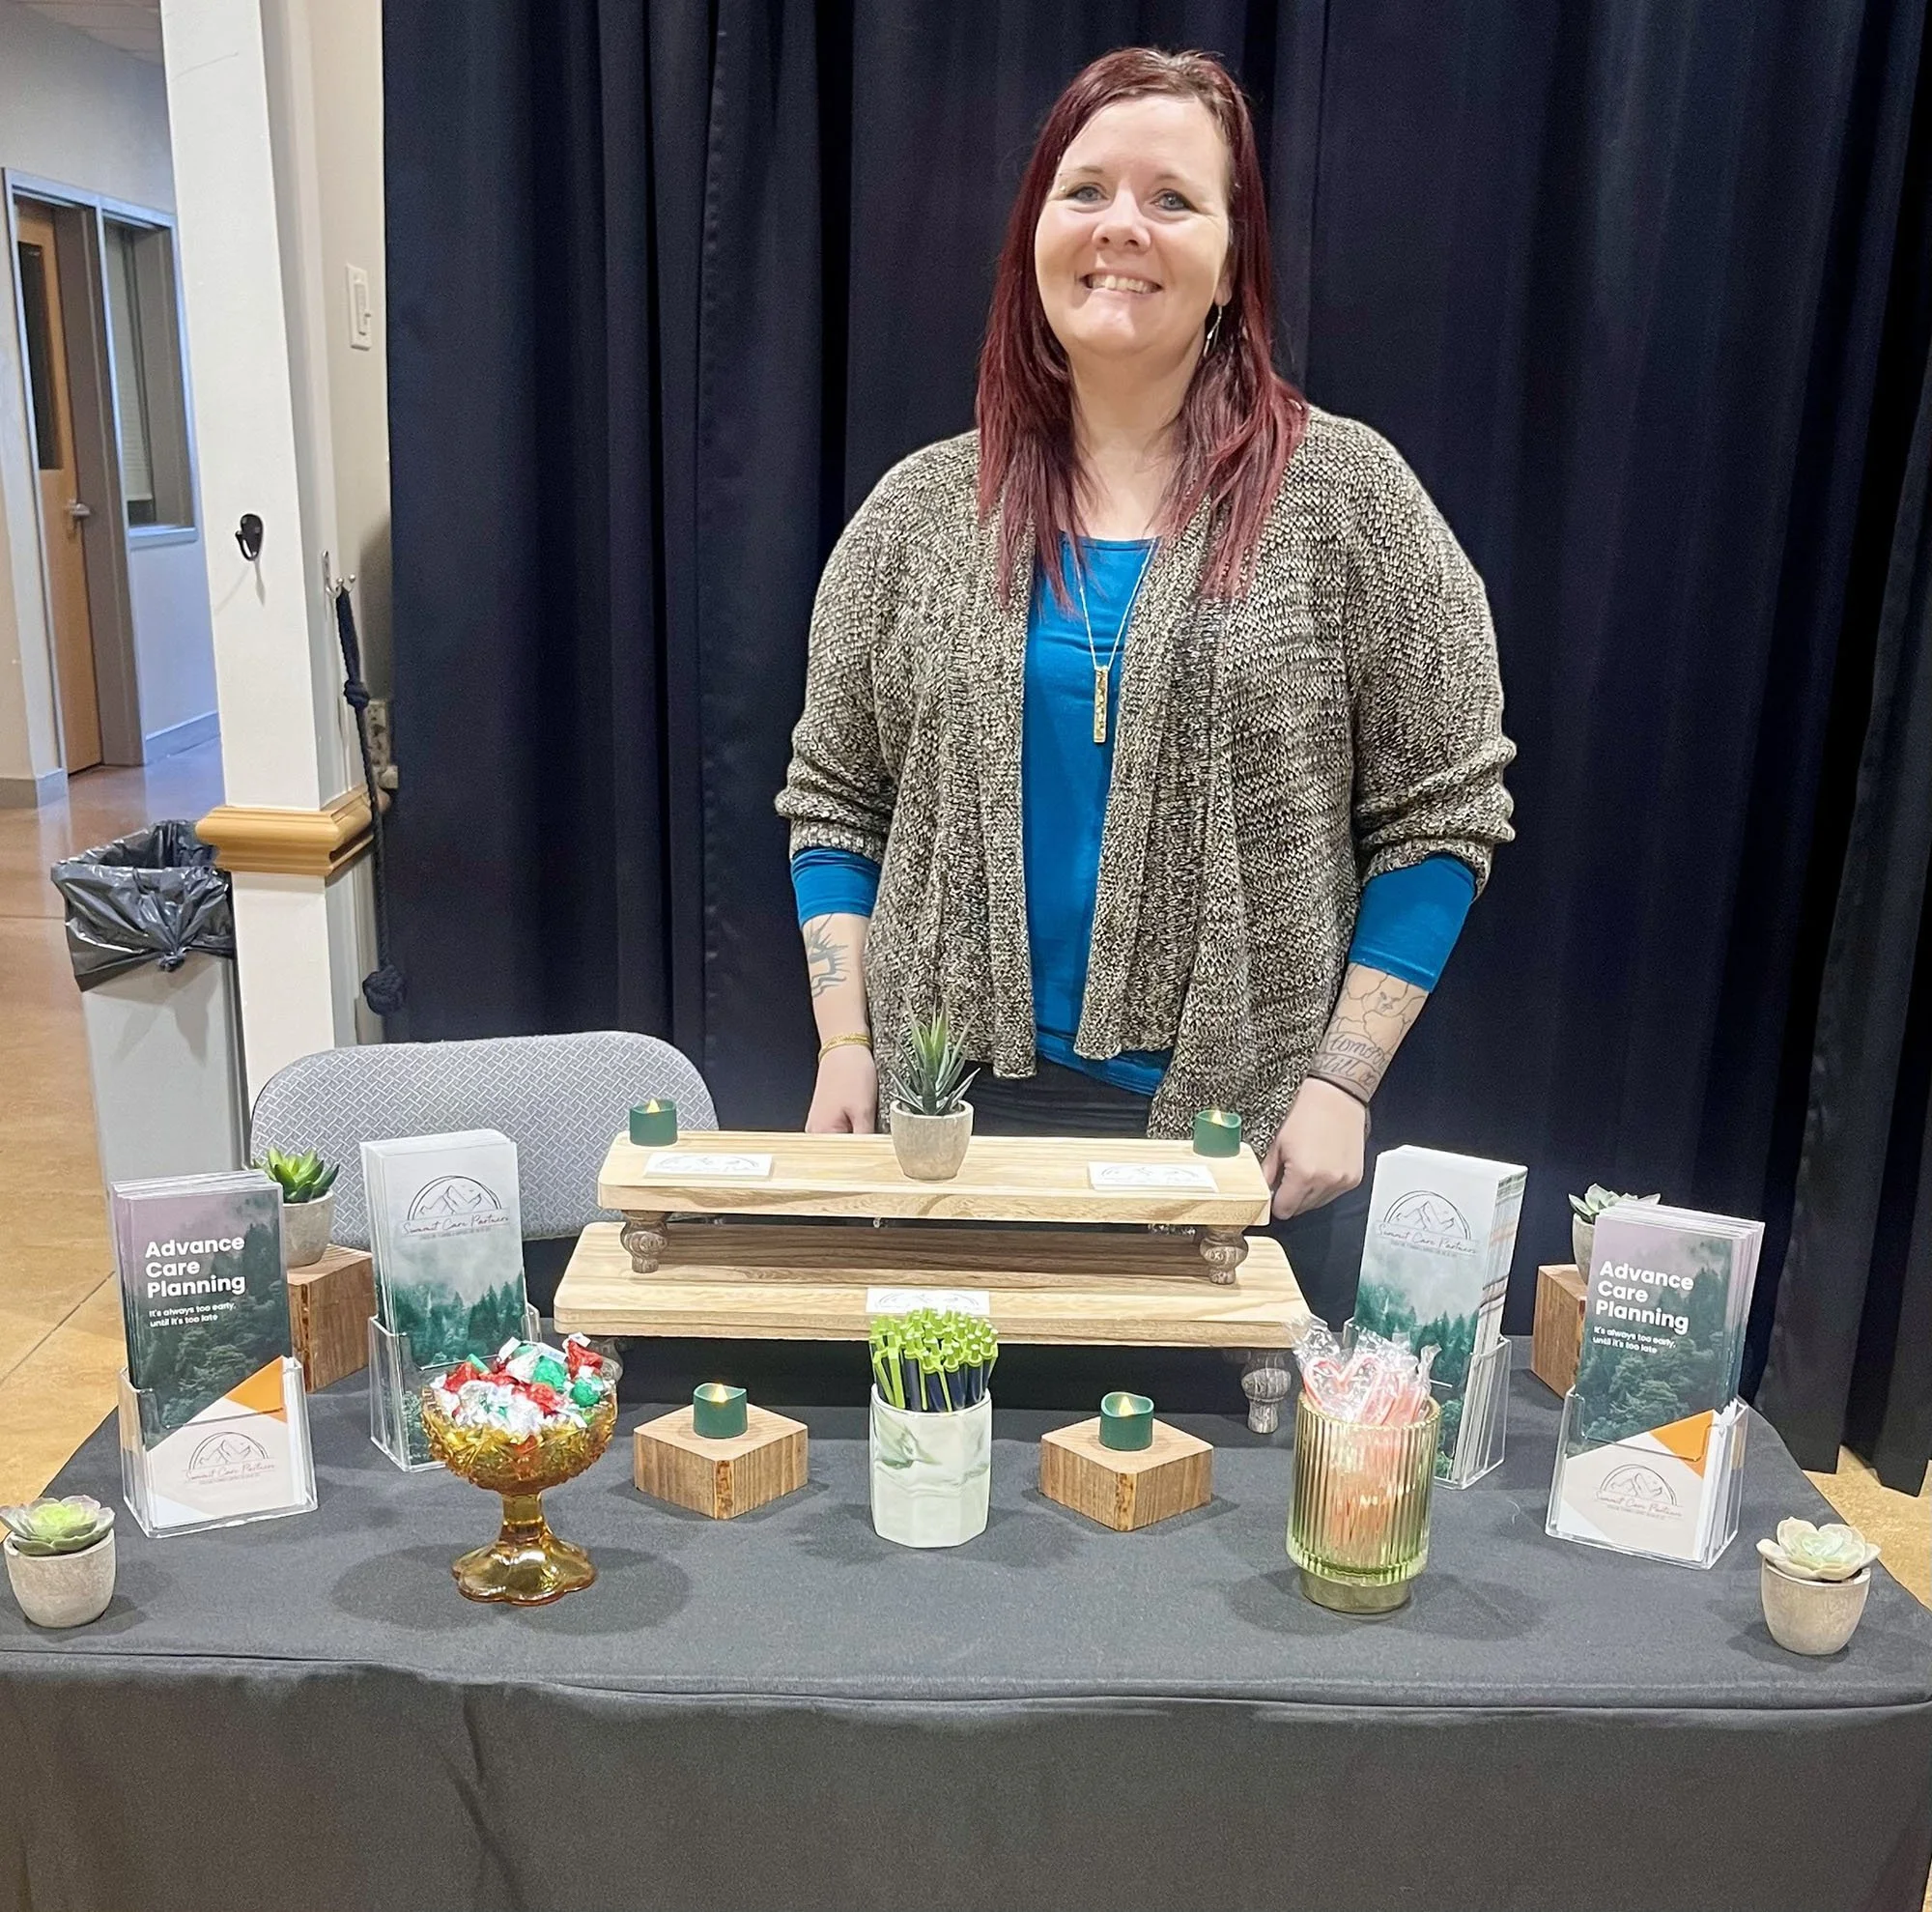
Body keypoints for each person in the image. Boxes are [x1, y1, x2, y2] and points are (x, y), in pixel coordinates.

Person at [776, 46, 1513, 1322]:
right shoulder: (916, 514)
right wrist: (848, 1044)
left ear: (1232, 266)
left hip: (1241, 1145)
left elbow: (1443, 808)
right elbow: (836, 801)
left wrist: (1342, 1079)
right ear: (1035, 238)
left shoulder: (1350, 503)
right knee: (947, 1436)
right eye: (1087, 191)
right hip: (948, 1134)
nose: (1122, 225)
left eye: (1173, 199)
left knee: (1198, 1449)